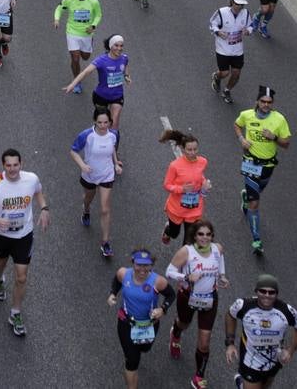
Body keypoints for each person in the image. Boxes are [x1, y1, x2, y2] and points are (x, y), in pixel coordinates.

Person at [0, 148, 50, 337]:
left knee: (22, 277)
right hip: (0, 234)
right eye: (8, 165)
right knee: (1, 261)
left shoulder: (31, 179)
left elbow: (39, 193)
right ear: (3, 166)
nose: (12, 169)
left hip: (24, 235)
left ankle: (15, 313)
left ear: (21, 164)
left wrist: (44, 208)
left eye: (15, 165)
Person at [166, 219, 227, 386]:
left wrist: (222, 276)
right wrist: (186, 277)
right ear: (194, 236)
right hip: (187, 296)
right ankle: (176, 332)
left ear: (212, 236)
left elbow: (220, 260)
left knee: (205, 340)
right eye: (201, 234)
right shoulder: (186, 252)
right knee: (184, 323)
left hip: (209, 299)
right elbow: (169, 271)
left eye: (208, 234)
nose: (204, 238)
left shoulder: (217, 249)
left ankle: (199, 376)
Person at [108, 249, 177, 388]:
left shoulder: (158, 281)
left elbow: (171, 295)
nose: (142, 269)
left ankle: (136, 352)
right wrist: (112, 294)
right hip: (126, 324)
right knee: (132, 361)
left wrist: (163, 309)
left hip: (149, 325)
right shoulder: (123, 274)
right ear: (133, 263)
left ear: (151, 265)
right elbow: (116, 280)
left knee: (144, 349)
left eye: (147, 265)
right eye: (139, 264)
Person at [224, 274, 297, 388]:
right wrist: (230, 343)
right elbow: (230, 315)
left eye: (271, 292)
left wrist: (291, 350)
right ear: (256, 291)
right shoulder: (243, 305)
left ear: (276, 294)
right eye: (263, 291)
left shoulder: (286, 311)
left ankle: (241, 384)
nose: (267, 295)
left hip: (273, 362)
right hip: (250, 362)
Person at [235, 87, 290, 255]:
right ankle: (256, 239)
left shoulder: (279, 119)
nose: (266, 105)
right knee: (255, 204)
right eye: (263, 101)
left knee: (259, 192)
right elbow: (237, 125)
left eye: (269, 102)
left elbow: (286, 143)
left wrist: (274, 138)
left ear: (272, 104)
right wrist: (242, 139)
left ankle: (245, 197)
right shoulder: (247, 115)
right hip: (250, 162)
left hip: (268, 166)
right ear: (257, 102)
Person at [70, 107, 122, 258]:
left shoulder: (113, 134)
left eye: (106, 122)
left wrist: (116, 163)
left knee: (105, 208)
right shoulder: (87, 135)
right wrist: (82, 166)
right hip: (90, 175)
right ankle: (86, 210)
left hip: (107, 174)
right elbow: (73, 151)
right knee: (89, 198)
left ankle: (105, 242)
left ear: (110, 122)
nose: (103, 125)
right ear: (94, 121)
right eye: (100, 122)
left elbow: (112, 148)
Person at [64, 34, 131, 131]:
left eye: (121, 46)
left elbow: (126, 66)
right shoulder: (101, 60)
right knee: (102, 125)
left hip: (117, 96)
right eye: (116, 45)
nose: (119, 48)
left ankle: (113, 145)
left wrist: (126, 76)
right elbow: (86, 72)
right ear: (110, 46)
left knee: (114, 123)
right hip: (101, 96)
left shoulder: (124, 58)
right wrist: (73, 84)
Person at [54, 0, 102, 92]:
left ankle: (84, 47)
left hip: (86, 34)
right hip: (72, 32)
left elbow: (98, 15)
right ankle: (76, 81)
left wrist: (93, 26)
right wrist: (57, 19)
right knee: (75, 58)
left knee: (85, 57)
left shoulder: (93, 1)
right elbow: (59, 8)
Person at [209, 0, 253, 104]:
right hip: (222, 49)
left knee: (236, 73)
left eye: (241, 5)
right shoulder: (221, 12)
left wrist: (247, 31)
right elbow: (212, 24)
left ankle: (227, 90)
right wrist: (218, 32)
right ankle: (217, 77)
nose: (239, 7)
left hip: (237, 50)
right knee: (224, 73)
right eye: (237, 4)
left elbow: (251, 26)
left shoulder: (246, 13)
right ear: (231, 2)